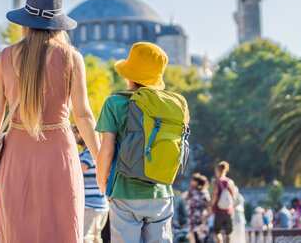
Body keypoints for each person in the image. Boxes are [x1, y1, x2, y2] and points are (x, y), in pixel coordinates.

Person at [0, 0, 100, 242]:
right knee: (62, 229)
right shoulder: (71, 57)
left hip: (15, 154)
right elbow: (83, 116)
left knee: (17, 230)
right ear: (58, 23)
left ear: (26, 20)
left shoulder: (5, 57)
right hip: (59, 151)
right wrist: (102, 161)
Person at [95, 42, 176, 243]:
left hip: (125, 191)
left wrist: (101, 180)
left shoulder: (115, 103)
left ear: (129, 75)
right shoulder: (170, 105)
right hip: (161, 192)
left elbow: (106, 149)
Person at [72, 125, 108, 243]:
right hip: (100, 204)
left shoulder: (89, 152)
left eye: (77, 131)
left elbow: (77, 172)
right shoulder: (96, 151)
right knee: (96, 238)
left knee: (84, 238)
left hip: (90, 204)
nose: (75, 135)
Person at [211, 161, 236, 243]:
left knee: (217, 231)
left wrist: (211, 206)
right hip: (229, 211)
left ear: (218, 171)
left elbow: (215, 196)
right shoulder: (230, 181)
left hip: (219, 211)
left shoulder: (217, 182)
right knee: (228, 233)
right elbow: (233, 196)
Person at [185, 173, 210, 243]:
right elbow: (208, 205)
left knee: (195, 236)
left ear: (196, 182)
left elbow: (185, 197)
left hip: (194, 216)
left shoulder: (194, 192)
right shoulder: (205, 192)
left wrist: (191, 188)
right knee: (201, 237)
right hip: (202, 216)